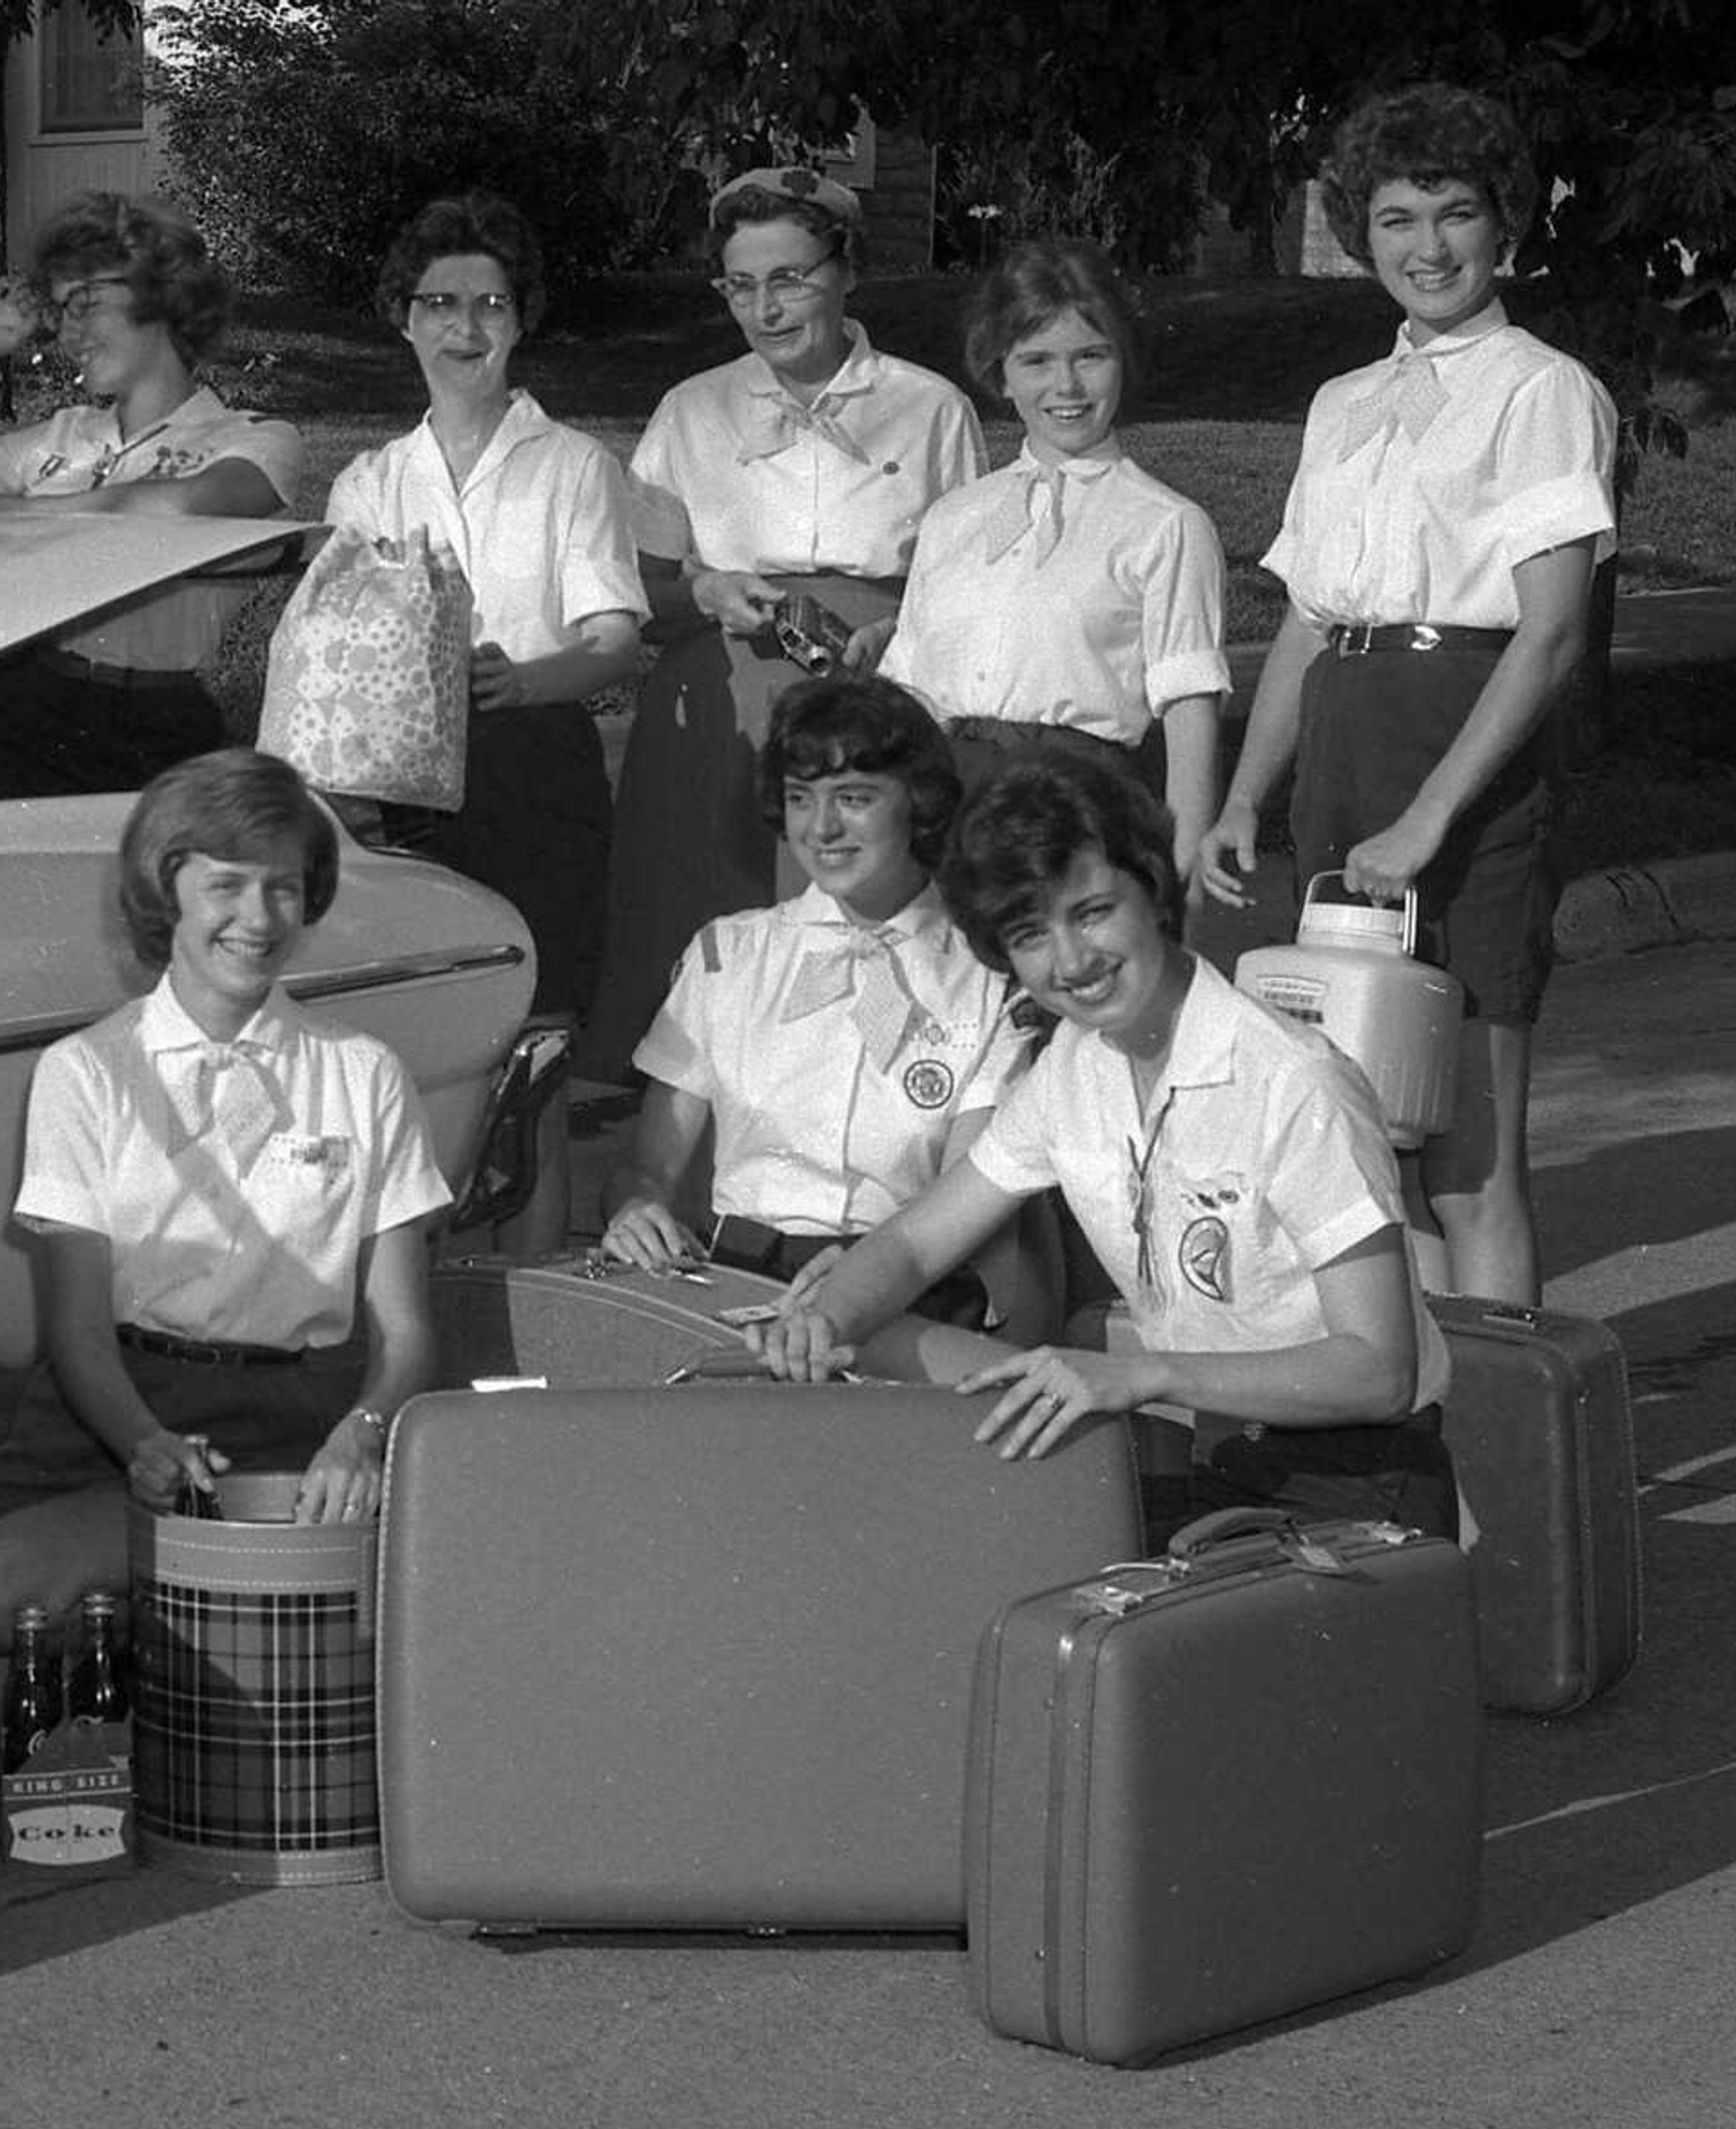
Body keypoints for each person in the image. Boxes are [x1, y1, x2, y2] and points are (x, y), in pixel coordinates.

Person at [0, 749, 447, 1818]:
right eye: (225, 882)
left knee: (1, 1587)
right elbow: (78, 1329)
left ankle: (176, 1677)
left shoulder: (363, 1070)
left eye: (282, 884)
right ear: (164, 888)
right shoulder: (83, 1070)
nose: (258, 914)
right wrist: (140, 1445)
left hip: (291, 1420)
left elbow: (406, 1333)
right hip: (109, 1410)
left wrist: (362, 1431)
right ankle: (171, 1666)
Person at [761, 753, 1458, 1541]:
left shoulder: (1294, 1081)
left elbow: (1380, 1370)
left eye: (1092, 911)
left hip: (1360, 1482)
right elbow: (919, 1243)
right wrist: (823, 1321)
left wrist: (1141, 1374)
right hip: (1224, 1453)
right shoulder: (1073, 1067)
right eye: (1030, 933)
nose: (1071, 961)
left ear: (1153, 893)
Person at [1201, 83, 1617, 1307]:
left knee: (1470, 1148)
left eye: (1455, 215)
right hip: (1345, 746)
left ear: (1506, 226)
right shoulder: (1344, 404)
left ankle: (1505, 1464)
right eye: (1395, 219)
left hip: (1468, 761)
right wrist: (1241, 799)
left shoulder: (1540, 391)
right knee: (1366, 1129)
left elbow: (1548, 640)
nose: (1427, 248)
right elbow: (1313, 624)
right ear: (1357, 229)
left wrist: (1432, 819)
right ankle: (1414, 1423)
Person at [576, 165, 983, 1083]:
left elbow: (965, 584)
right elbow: (636, 592)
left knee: (856, 906)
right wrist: (709, 591)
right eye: (741, 284)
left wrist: (898, 637)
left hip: (874, 690)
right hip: (720, 694)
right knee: (700, 900)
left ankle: (859, 1101)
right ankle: (678, 1102)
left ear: (846, 273)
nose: (766, 308)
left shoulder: (930, 409)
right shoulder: (691, 410)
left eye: (790, 277)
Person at [599, 678, 1052, 1340]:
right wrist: (636, 1209)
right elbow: (649, 1169)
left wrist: (863, 1281)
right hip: (733, 1285)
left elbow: (967, 1198)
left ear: (918, 803)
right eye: (800, 798)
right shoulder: (728, 956)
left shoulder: (986, 976)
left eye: (855, 798)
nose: (823, 828)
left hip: (908, 1298)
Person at [0, 191, 302, 802]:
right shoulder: (59, 437)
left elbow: (195, 505)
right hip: (13, 705)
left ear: (158, 292)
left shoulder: (254, 437)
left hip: (160, 724)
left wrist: (27, 515)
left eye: (85, 304)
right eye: (62, 312)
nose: (70, 333)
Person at [320, 190, 646, 1023]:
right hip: (402, 780)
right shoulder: (370, 482)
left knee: (539, 1019)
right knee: (419, 1020)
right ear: (404, 318)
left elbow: (613, 644)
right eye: (441, 304)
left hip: (535, 763)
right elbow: (339, 654)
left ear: (521, 319)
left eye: (491, 304)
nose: (466, 329)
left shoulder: (576, 467)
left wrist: (523, 684)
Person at [874, 239, 1228, 879]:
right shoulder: (955, 518)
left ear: (1124, 362)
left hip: (1081, 812)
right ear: (1001, 374)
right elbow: (912, 693)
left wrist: (1184, 876)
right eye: (1036, 361)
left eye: (1091, 357)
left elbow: (1189, 708)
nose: (1066, 386)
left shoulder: (1165, 525)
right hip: (953, 811)